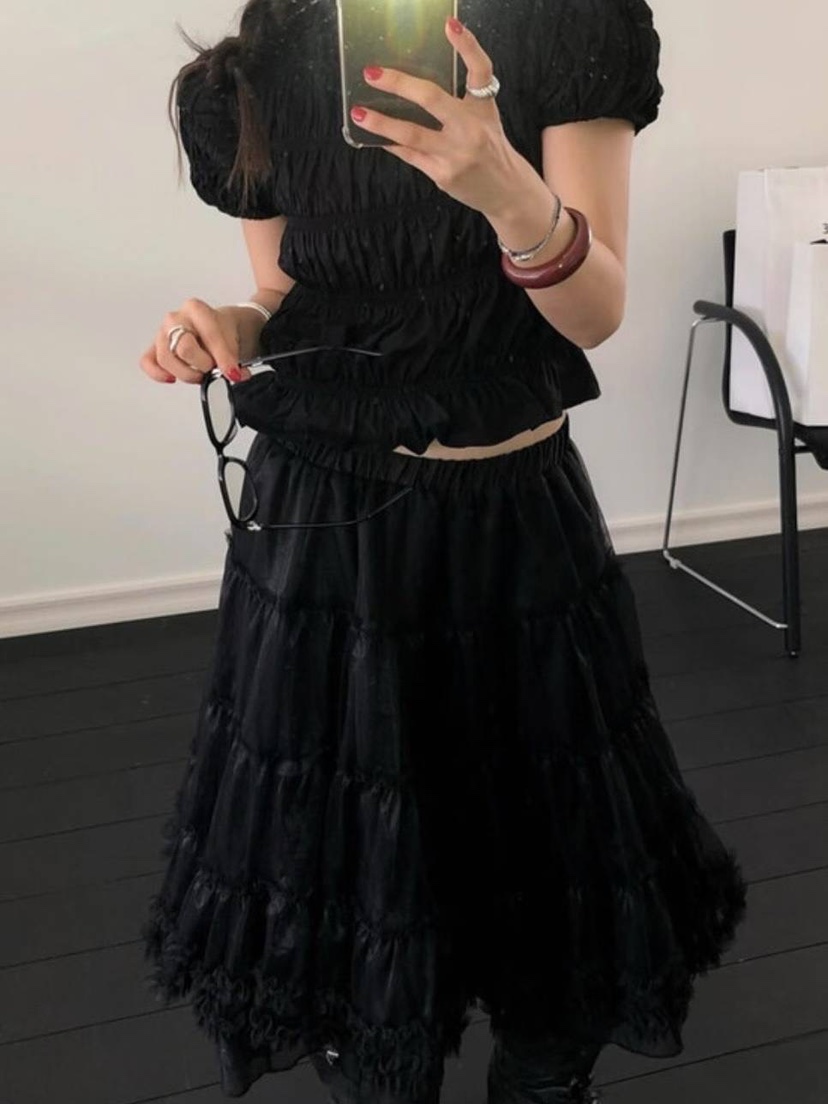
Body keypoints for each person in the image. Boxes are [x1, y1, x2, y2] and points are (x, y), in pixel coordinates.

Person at [139, 2, 748, 1103]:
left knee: (547, 856)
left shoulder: (572, 26)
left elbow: (595, 313)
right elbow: (285, 289)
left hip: (514, 527)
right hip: (323, 535)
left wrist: (505, 187)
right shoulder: (262, 64)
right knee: (353, 867)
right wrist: (231, 326)